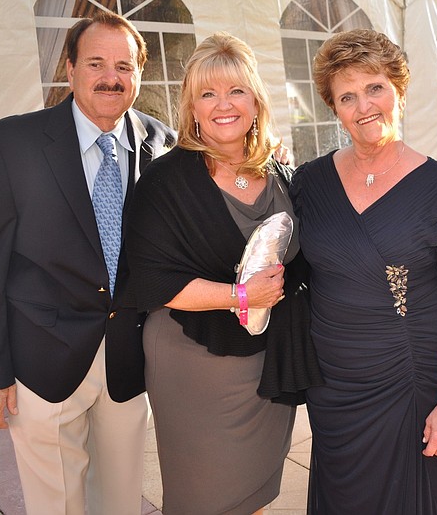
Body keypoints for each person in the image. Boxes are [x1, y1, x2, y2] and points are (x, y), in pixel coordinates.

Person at [0, 11, 175, 515]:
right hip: (42, 362)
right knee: (56, 505)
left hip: (128, 362)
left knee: (121, 500)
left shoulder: (163, 144)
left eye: (124, 66)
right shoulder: (9, 144)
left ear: (139, 73)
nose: (110, 78)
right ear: (70, 68)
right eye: (96, 63)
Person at [290, 29, 437, 513]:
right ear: (334, 108)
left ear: (399, 90)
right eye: (347, 97)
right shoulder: (309, 182)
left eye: (375, 88)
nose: (364, 107)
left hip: (415, 382)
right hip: (335, 388)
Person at [125, 32, 322, 514]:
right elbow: (152, 281)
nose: (223, 104)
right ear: (191, 106)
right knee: (205, 496)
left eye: (236, 90)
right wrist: (241, 296)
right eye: (208, 93)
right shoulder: (163, 182)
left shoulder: (281, 174)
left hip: (269, 364)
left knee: (253, 495)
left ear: (255, 101)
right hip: (194, 365)